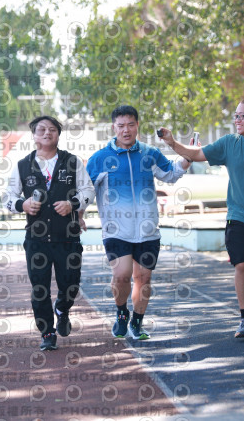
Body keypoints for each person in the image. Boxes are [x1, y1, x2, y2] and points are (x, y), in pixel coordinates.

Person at [158, 99, 244, 338]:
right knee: (242, 264)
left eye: (242, 116)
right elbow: (197, 153)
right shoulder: (229, 143)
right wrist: (172, 143)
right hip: (239, 218)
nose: (237, 120)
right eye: (236, 116)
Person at [86, 105, 191, 340]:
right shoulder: (100, 159)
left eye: (131, 125)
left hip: (148, 230)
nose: (126, 130)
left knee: (143, 279)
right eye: (121, 126)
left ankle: (137, 321)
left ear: (137, 126)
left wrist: (188, 158)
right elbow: (86, 190)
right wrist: (78, 214)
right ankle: (122, 312)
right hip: (116, 230)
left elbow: (170, 173)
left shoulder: (149, 153)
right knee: (122, 275)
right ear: (113, 128)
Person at [3, 115, 95, 351]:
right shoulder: (23, 165)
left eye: (52, 129)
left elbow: (88, 190)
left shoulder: (72, 162)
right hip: (36, 240)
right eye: (41, 129)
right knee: (39, 288)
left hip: (68, 238)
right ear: (34, 135)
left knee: (71, 285)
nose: (47, 133)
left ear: (58, 134)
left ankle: (62, 309)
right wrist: (22, 205)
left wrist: (72, 204)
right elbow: (7, 198)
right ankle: (46, 332)